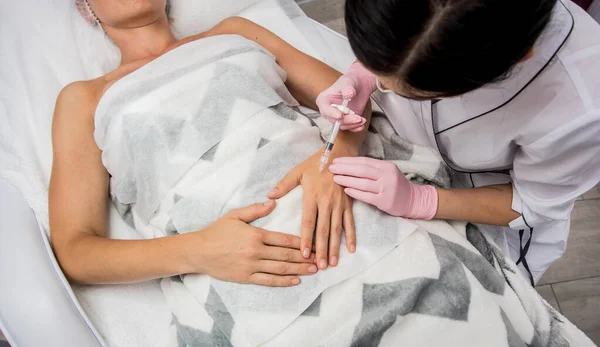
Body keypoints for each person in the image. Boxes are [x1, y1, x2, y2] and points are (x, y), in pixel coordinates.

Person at [49, 0, 370, 287]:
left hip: (338, 209)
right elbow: (76, 250)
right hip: (240, 268)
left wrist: (336, 161)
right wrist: (199, 251)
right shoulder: (86, 100)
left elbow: (349, 95)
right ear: (85, 8)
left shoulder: (233, 32)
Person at [310, 0, 600, 283]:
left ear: (518, 57)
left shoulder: (583, 104)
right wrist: (364, 74)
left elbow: (532, 203)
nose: (386, 88)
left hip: (485, 204)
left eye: (415, 91)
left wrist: (419, 200)